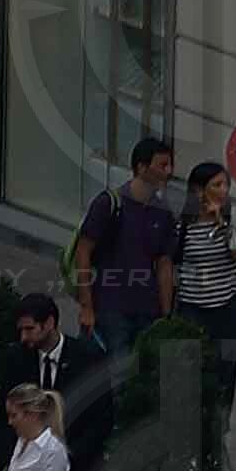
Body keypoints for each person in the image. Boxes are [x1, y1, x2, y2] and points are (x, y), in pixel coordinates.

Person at [76, 130, 181, 349]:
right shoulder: (109, 204)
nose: (168, 172)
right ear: (141, 168)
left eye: (170, 165)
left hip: (148, 311)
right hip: (111, 308)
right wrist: (86, 307)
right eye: (162, 165)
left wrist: (166, 313)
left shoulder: (163, 212)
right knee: (118, 372)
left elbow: (164, 262)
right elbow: (83, 252)